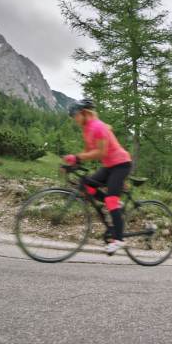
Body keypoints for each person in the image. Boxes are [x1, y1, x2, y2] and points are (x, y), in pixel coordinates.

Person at [62, 98, 132, 254]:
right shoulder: (86, 129)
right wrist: (73, 163)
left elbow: (101, 152)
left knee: (110, 200)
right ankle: (116, 205)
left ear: (84, 113)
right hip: (109, 166)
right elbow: (88, 152)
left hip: (121, 164)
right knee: (86, 185)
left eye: (75, 116)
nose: (74, 119)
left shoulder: (98, 127)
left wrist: (77, 157)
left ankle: (119, 240)